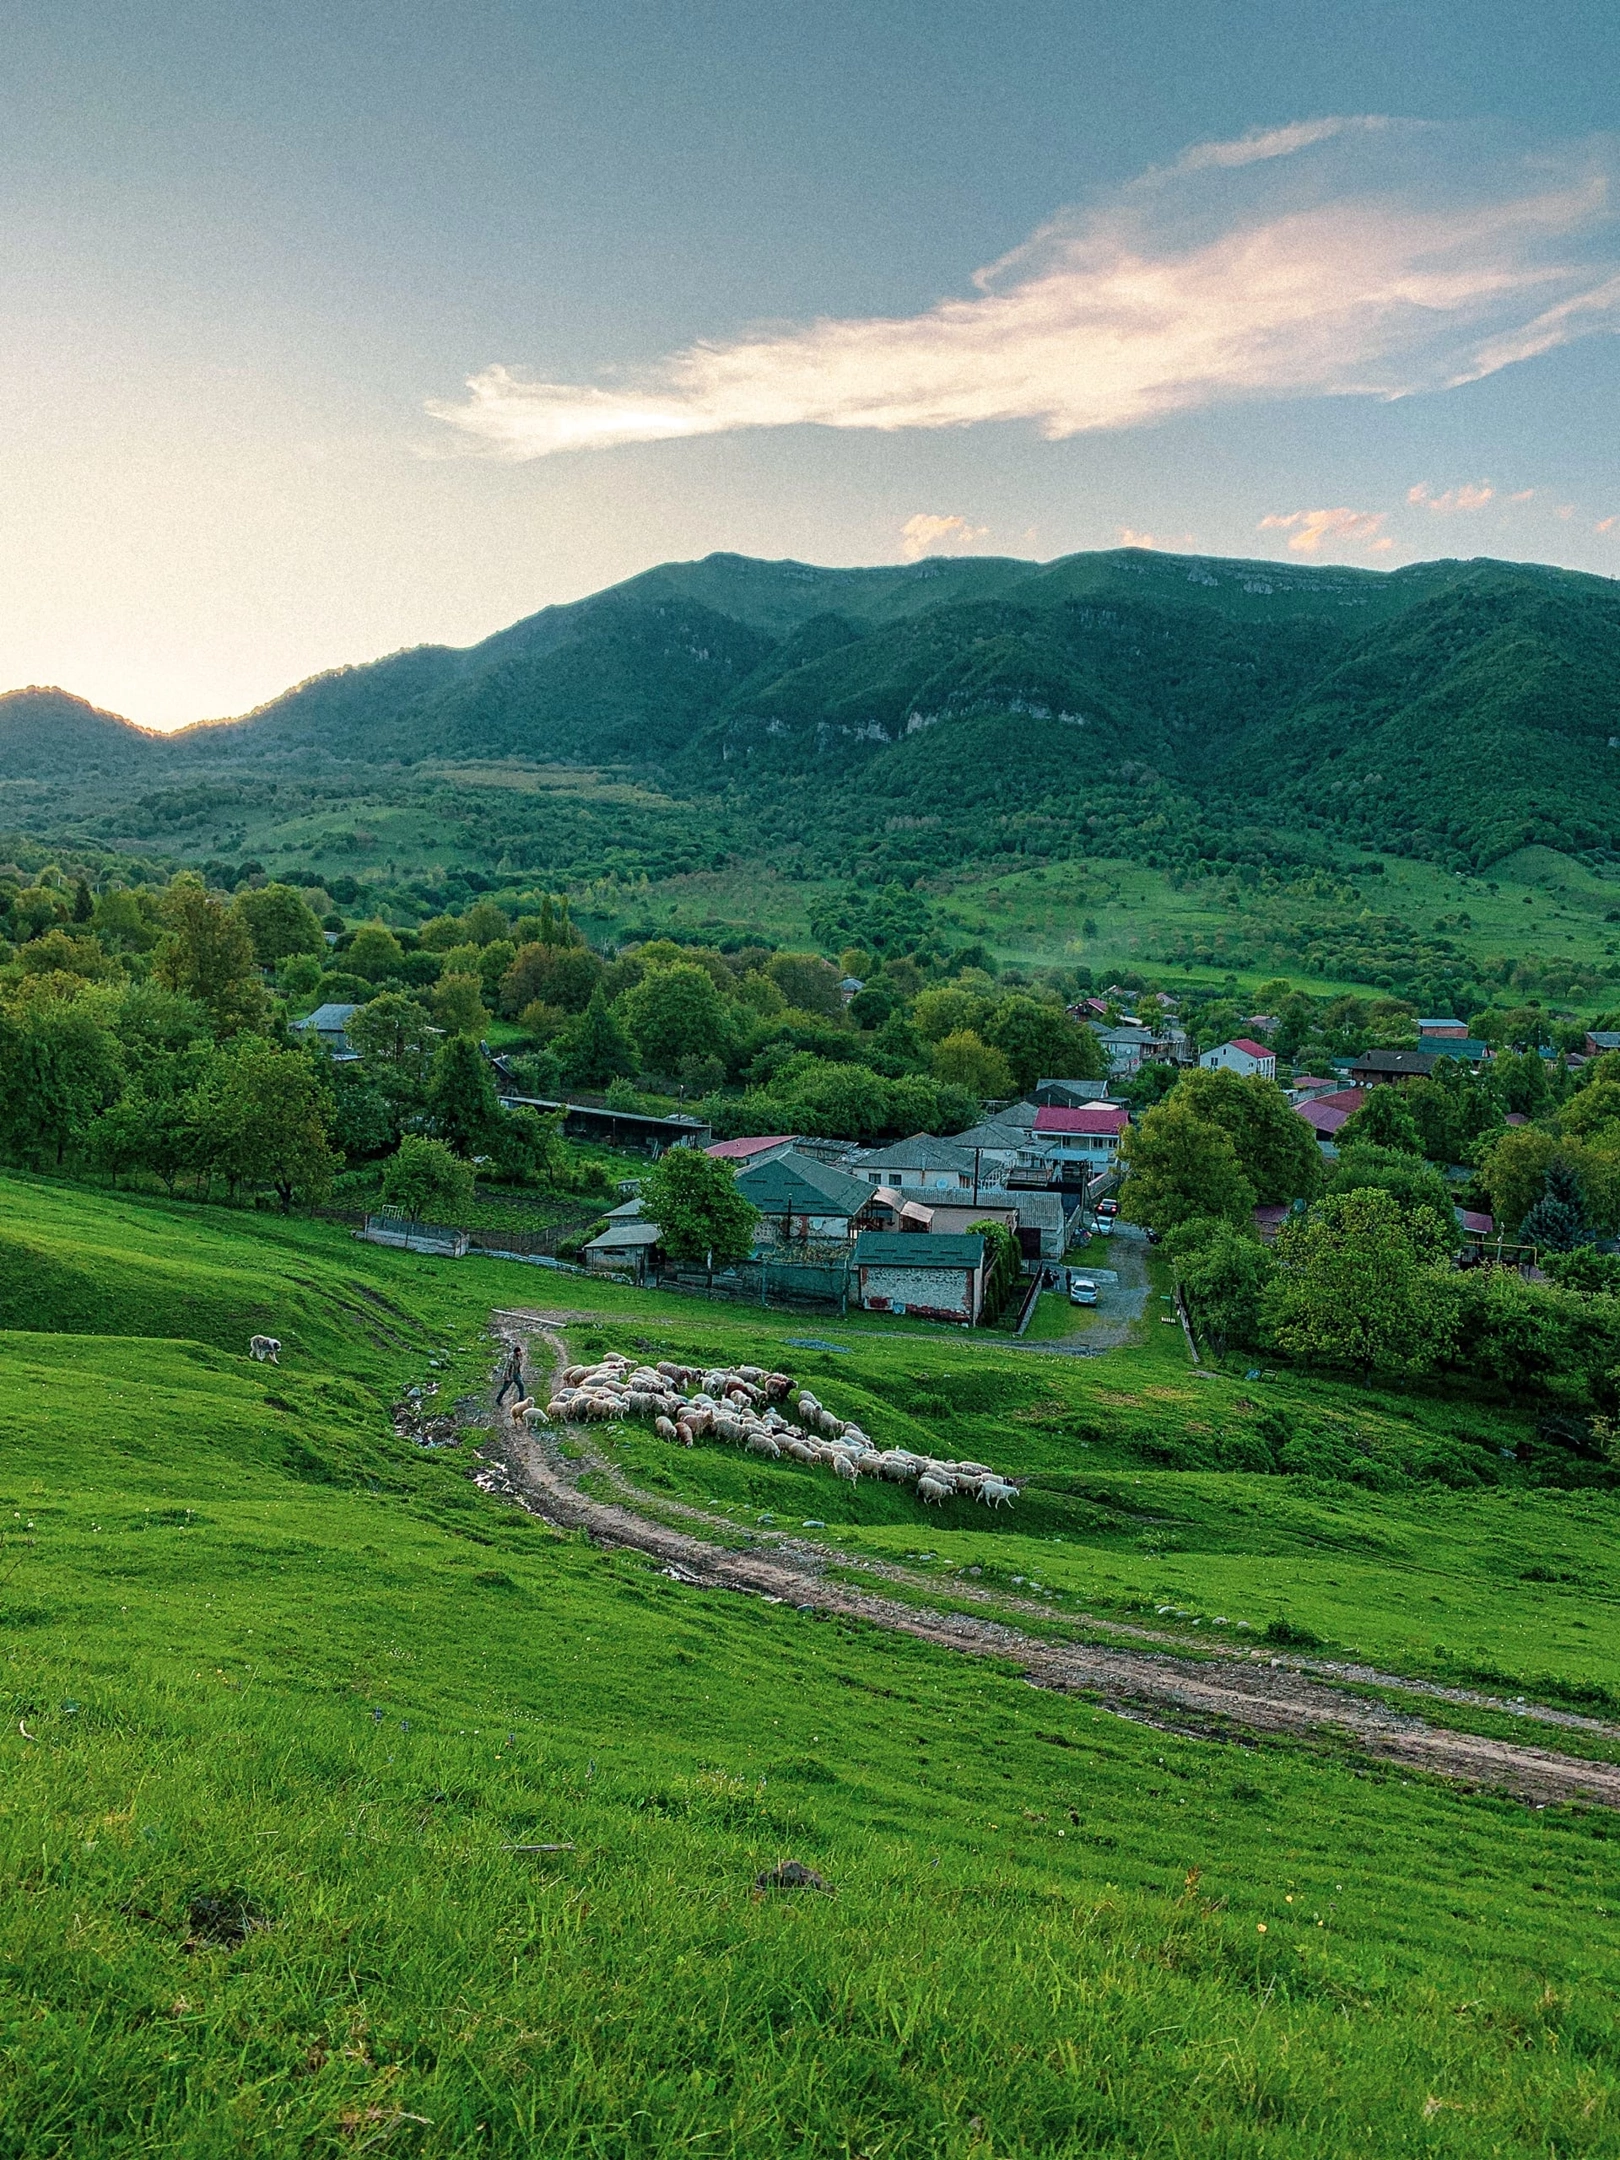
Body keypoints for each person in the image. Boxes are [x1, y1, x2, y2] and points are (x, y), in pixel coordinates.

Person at [495, 1340, 525, 1404]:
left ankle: (521, 1399)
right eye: (519, 1352)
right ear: (516, 1352)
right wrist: (507, 1377)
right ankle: (498, 1399)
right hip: (510, 1375)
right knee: (505, 1388)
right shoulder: (511, 1358)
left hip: (516, 1374)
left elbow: (518, 1366)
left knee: (521, 1385)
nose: (520, 1353)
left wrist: (519, 1375)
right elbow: (507, 1368)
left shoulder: (518, 1357)